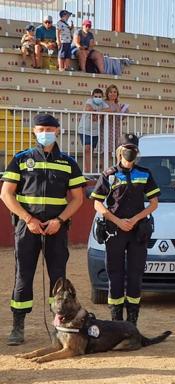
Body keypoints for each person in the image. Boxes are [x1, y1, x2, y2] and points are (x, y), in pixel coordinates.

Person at [0, 113, 86, 345]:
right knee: (23, 276)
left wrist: (59, 220)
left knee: (58, 278)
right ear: (34, 131)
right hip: (27, 228)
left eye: (50, 128)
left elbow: (78, 198)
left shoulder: (68, 162)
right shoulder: (20, 158)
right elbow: (6, 194)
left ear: (57, 131)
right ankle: (18, 327)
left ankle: (60, 325)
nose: (45, 132)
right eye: (41, 128)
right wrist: (28, 219)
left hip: (56, 229)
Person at [90, 134, 160, 325]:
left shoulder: (145, 173)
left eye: (133, 148)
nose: (130, 152)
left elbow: (154, 203)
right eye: (126, 148)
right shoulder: (109, 175)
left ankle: (132, 322)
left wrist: (136, 219)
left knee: (136, 275)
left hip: (138, 231)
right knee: (115, 275)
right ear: (119, 151)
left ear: (137, 152)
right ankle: (116, 321)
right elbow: (97, 203)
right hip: (115, 231)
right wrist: (117, 221)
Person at [78, 88, 110, 173]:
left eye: (100, 96)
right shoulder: (89, 101)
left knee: (90, 150)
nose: (98, 98)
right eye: (96, 96)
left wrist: (97, 112)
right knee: (87, 149)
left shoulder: (103, 103)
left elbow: (109, 109)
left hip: (95, 131)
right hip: (84, 129)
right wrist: (98, 113)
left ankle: (89, 170)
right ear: (92, 96)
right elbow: (88, 108)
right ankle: (87, 171)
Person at [105, 84, 129, 155]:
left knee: (118, 151)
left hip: (117, 129)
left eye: (115, 92)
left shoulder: (119, 105)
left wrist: (125, 112)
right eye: (111, 92)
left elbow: (119, 118)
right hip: (107, 129)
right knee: (106, 151)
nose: (113, 94)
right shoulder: (104, 103)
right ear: (107, 93)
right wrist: (113, 111)